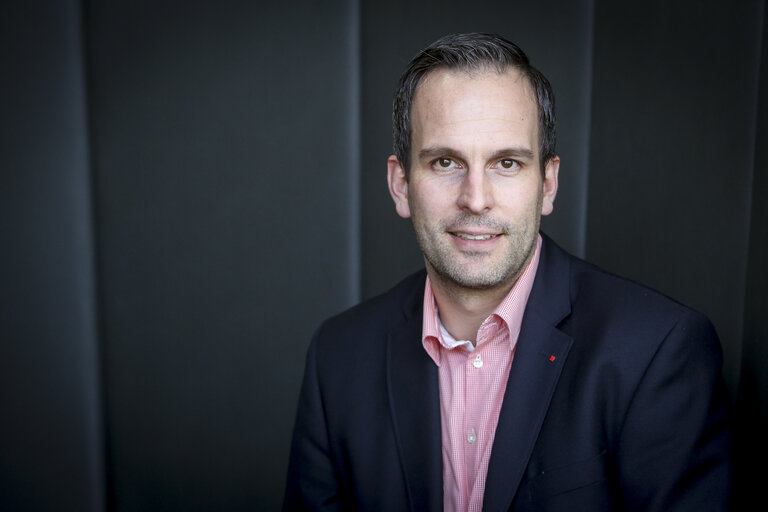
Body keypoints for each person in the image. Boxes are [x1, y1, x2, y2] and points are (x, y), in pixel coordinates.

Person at [283, 33, 731, 511]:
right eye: (446, 162)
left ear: (548, 184)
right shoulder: (338, 356)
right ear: (400, 185)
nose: (475, 199)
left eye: (507, 163)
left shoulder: (657, 351)